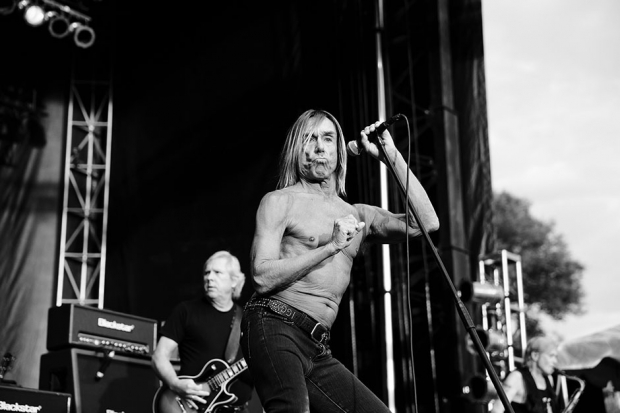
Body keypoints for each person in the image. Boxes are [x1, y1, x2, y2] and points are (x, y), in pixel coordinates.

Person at [240, 109, 439, 412]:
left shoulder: (359, 215)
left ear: (339, 151)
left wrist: (391, 156)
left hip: (317, 346)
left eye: (328, 138)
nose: (319, 146)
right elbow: (262, 276)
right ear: (297, 149)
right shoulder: (280, 201)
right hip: (273, 323)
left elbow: (424, 223)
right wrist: (330, 247)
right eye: (310, 138)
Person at [152, 251, 254, 412]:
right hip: (188, 406)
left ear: (234, 281)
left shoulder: (248, 321)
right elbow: (159, 356)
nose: (209, 277)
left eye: (217, 273)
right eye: (207, 272)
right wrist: (175, 384)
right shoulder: (186, 311)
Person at [491, 336, 559, 413]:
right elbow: (497, 410)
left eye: (556, 357)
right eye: (551, 356)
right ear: (535, 355)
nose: (555, 361)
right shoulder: (517, 377)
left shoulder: (549, 379)